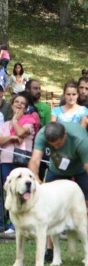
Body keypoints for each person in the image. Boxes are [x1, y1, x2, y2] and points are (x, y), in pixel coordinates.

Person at [28, 121, 88, 266]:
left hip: (81, 170)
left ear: (65, 135)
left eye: (58, 144)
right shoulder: (42, 135)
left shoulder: (79, 138)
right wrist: (35, 178)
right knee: (48, 208)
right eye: (53, 145)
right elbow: (35, 160)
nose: (56, 147)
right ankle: (50, 251)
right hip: (55, 170)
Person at [0, 93, 41, 233]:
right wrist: (11, 136)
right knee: (10, 191)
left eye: (22, 103)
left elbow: (21, 134)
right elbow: (1, 140)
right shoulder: (6, 124)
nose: (18, 104)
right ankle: (12, 223)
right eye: (16, 102)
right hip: (6, 160)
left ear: (26, 107)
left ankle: (25, 223)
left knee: (24, 192)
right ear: (11, 105)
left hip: (22, 161)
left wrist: (16, 121)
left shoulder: (30, 121)